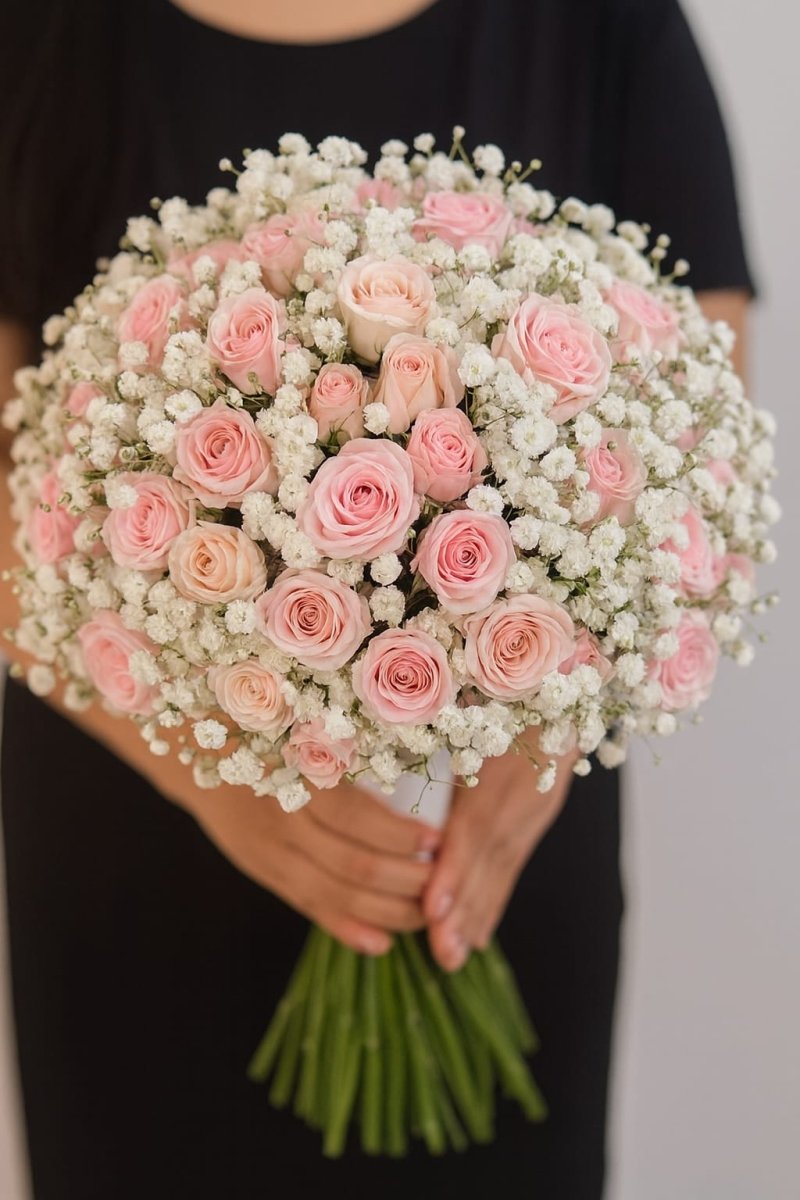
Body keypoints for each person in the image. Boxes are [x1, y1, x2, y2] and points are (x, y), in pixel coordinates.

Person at [0, 1, 754, 1197]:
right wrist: (213, 775)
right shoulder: (43, 35)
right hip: (139, 840)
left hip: (493, 843)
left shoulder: (603, 22)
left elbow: (697, 432)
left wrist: (543, 730)